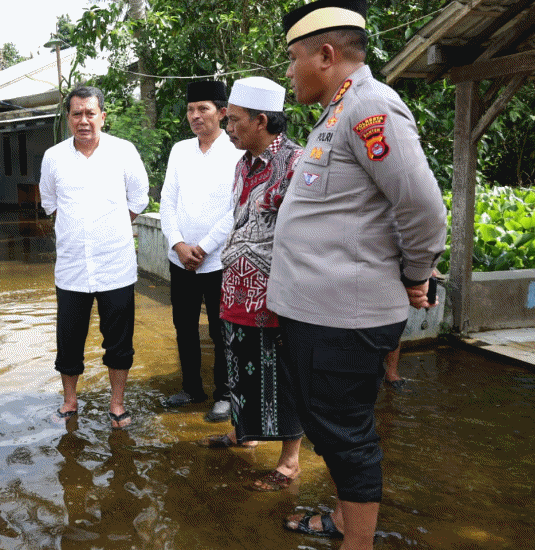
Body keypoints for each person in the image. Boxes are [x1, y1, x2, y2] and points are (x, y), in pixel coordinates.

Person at [269, 1, 447, 547]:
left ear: (325, 55)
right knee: (331, 428)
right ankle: (345, 520)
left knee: (347, 436)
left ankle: (357, 542)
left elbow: (422, 207)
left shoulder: (370, 108)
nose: (290, 71)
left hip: (343, 320)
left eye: (294, 58)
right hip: (321, 315)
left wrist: (416, 273)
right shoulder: (338, 112)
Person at [197, 76, 306, 491]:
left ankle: (290, 461)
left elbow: (302, 235)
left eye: (235, 120)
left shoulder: (296, 163)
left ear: (261, 121)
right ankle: (245, 433)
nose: (228, 128)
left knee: (281, 374)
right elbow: (239, 218)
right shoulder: (243, 164)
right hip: (236, 288)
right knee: (240, 366)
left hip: (275, 292)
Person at [39, 86, 150, 429]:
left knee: (119, 341)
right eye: (77, 114)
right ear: (68, 118)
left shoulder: (123, 152)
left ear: (103, 116)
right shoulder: (53, 157)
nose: (84, 120)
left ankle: (117, 404)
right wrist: (79, 230)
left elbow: (139, 198)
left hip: (116, 266)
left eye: (90, 113)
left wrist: (109, 228)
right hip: (72, 268)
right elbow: (50, 203)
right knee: (68, 340)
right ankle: (69, 401)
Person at [159, 80, 241, 422]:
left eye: (203, 108)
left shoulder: (236, 152)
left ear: (221, 113)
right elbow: (167, 200)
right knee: (184, 325)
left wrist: (204, 247)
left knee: (221, 331)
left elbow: (236, 208)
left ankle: (224, 394)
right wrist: (178, 244)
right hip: (181, 260)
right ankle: (191, 387)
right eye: (191, 109)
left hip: (218, 260)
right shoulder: (180, 150)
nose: (195, 115)